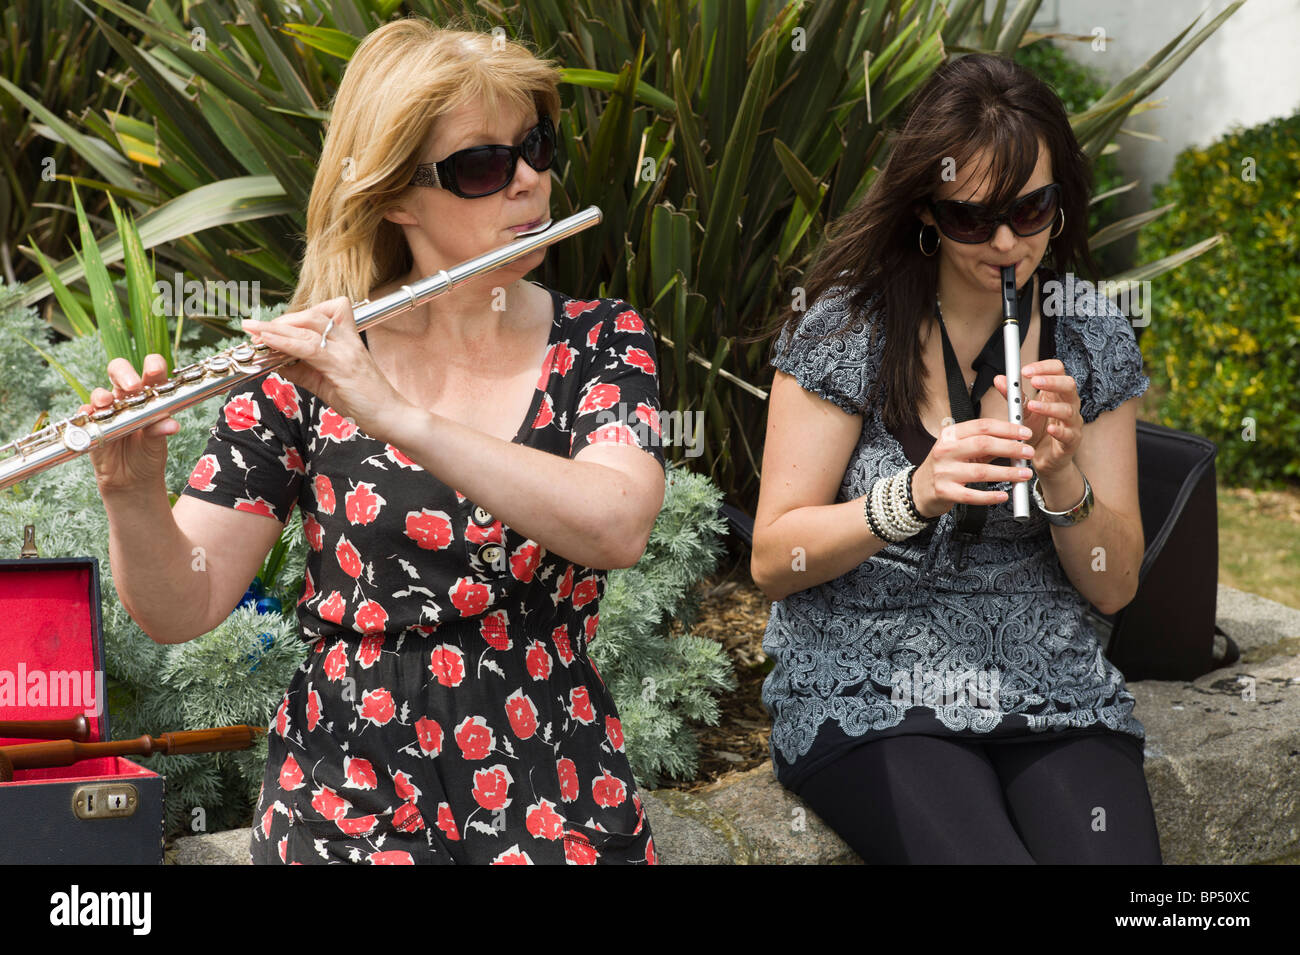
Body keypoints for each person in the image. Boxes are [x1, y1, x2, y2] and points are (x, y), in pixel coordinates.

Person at [78, 19, 666, 865]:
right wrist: (131, 492)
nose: (530, 181)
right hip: (348, 774)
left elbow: (617, 524)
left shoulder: (604, 342)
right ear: (394, 195)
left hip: (552, 761)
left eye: (535, 146)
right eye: (483, 166)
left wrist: (395, 414)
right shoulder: (306, 368)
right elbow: (183, 606)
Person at [750, 52, 1162, 864]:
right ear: (928, 212)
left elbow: (1116, 582)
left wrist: (1063, 476)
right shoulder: (846, 328)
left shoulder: (1092, 331)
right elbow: (772, 557)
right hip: (872, 677)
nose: (1008, 241)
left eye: (1031, 209)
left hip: (1051, 677)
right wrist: (913, 494)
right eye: (973, 218)